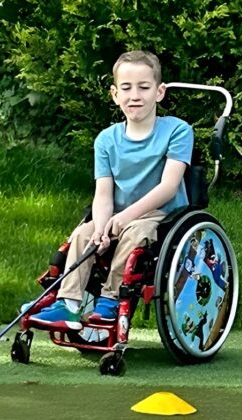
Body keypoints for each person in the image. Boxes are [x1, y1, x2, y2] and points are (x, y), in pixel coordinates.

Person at [29, 50, 194, 329]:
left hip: (161, 215)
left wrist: (125, 217)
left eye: (144, 87)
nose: (135, 96)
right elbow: (103, 194)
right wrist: (102, 229)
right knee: (83, 234)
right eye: (126, 88)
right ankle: (68, 304)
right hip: (117, 213)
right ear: (115, 95)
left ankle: (111, 299)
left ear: (159, 92)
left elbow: (168, 187)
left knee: (134, 232)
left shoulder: (178, 131)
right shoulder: (106, 140)